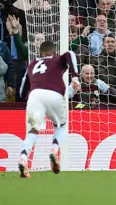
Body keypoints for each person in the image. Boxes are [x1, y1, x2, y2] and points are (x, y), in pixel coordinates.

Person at [17, 41, 80, 178]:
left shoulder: (32, 63)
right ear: (54, 52)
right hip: (54, 94)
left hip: (35, 96)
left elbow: (23, 87)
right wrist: (75, 78)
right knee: (61, 126)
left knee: (32, 130)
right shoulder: (57, 60)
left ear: (40, 53)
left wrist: (23, 99)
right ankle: (54, 150)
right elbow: (70, 54)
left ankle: (23, 157)